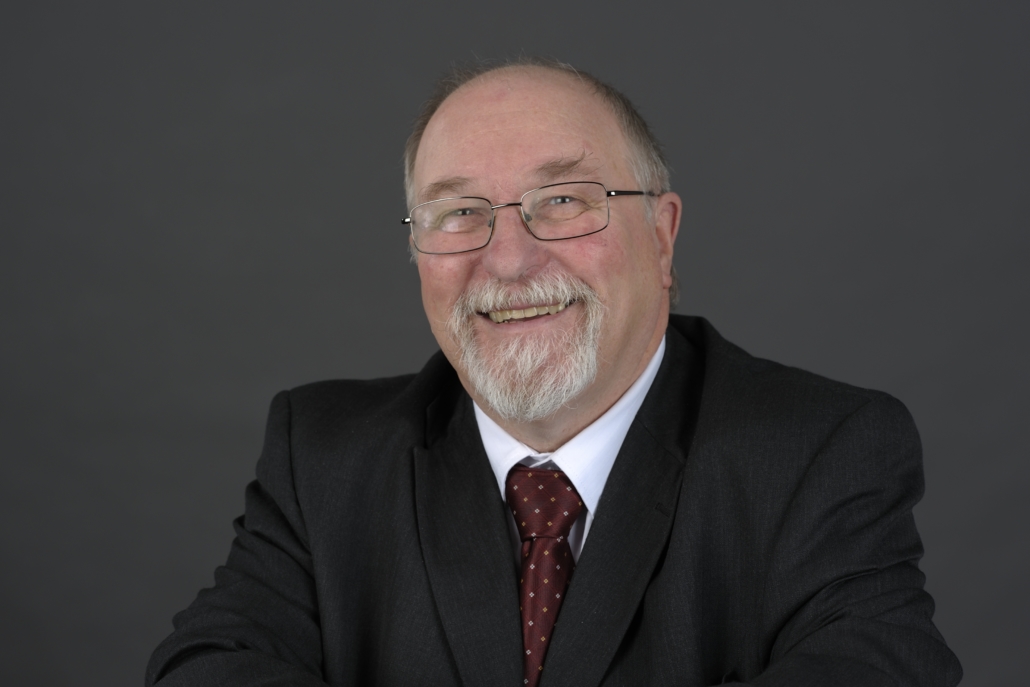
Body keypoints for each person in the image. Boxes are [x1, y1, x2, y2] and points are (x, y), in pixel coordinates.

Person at [146, 59, 961, 686]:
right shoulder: (323, 457)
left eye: (564, 200)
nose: (508, 258)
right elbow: (205, 667)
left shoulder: (818, 451)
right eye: (459, 212)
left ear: (662, 235)